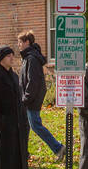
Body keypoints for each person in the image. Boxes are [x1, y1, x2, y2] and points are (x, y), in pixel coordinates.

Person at [17, 31, 64, 161]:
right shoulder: (28, 57)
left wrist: (26, 98)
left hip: (31, 99)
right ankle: (23, 154)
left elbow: (33, 82)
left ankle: (58, 147)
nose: (18, 45)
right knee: (25, 126)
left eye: (20, 42)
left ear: (27, 42)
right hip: (30, 98)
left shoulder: (31, 58)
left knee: (35, 125)